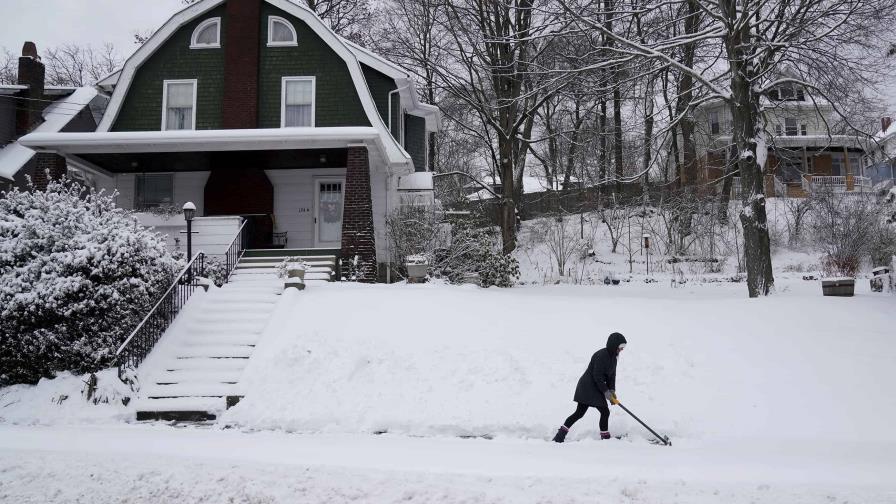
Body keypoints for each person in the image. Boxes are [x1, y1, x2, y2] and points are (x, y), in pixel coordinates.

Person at [552, 332, 627, 442]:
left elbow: (612, 376)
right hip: (588, 387)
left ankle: (560, 435)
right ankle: (605, 437)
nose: (622, 349)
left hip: (596, 387)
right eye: (620, 347)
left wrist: (612, 390)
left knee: (582, 413)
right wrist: (606, 392)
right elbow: (597, 376)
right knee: (590, 413)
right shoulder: (601, 355)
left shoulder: (613, 358)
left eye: (623, 347)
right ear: (613, 345)